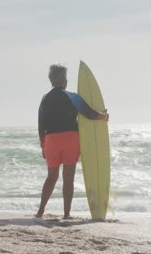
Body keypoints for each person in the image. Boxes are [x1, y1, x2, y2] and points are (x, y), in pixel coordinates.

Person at [36, 63, 109, 219]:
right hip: (70, 138)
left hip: (51, 140)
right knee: (68, 177)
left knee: (51, 176)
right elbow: (88, 113)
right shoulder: (72, 96)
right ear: (63, 80)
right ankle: (66, 214)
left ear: (51, 80)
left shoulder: (44, 99)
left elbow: (41, 125)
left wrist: (43, 146)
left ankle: (40, 211)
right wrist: (103, 116)